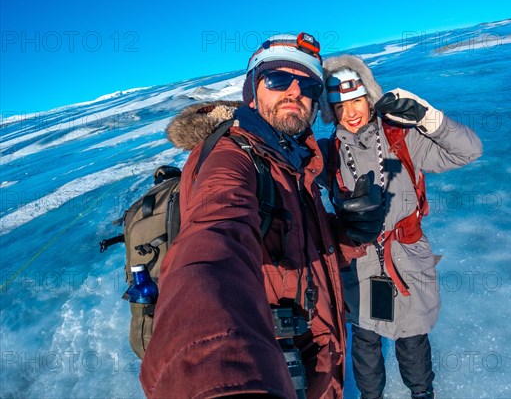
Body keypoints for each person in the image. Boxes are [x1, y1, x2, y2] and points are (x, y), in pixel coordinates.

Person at [139, 34, 382, 399]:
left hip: (314, 354)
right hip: (274, 364)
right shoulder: (232, 158)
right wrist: (215, 378)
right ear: (252, 90)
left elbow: (299, 248)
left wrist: (347, 234)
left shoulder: (290, 158)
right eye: (278, 80)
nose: (294, 92)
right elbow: (212, 243)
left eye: (308, 85)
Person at [319, 55, 483, 399]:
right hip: (360, 262)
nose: (351, 113)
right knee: (365, 340)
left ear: (369, 96)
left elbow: (468, 151)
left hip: (407, 257)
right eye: (339, 106)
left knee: (412, 337)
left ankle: (422, 394)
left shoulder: (401, 139)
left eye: (357, 101)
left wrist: (430, 119)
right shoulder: (327, 153)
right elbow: (286, 170)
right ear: (329, 110)